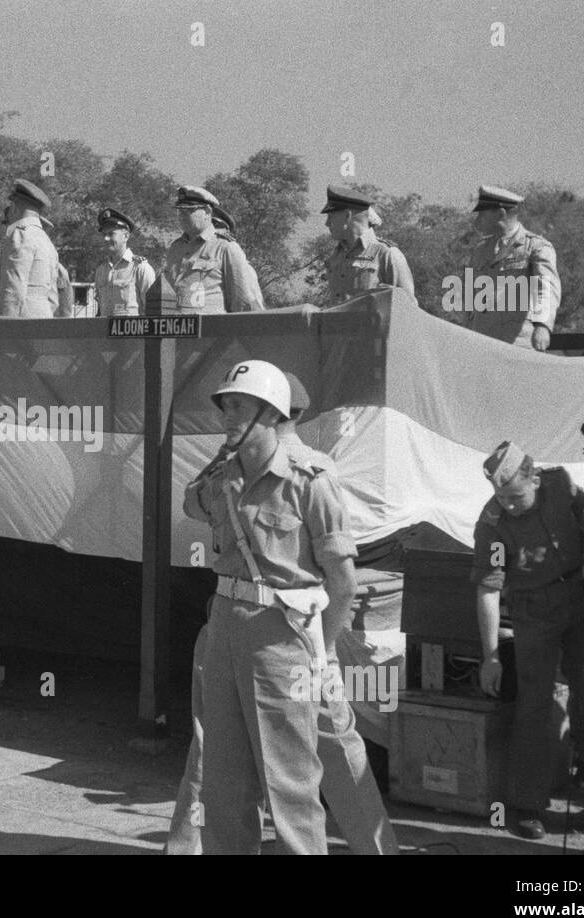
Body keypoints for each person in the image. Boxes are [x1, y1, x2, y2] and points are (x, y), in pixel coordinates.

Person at [167, 371, 397, 855]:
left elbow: (343, 581)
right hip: (227, 625)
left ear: (274, 414)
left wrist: (321, 650)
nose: (226, 416)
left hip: (286, 635)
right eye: (225, 406)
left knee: (291, 778)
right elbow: (192, 504)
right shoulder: (227, 474)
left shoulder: (309, 479)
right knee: (224, 777)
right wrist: (219, 461)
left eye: (239, 408)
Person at [472, 441, 584, 840]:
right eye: (501, 497)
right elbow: (488, 591)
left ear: (535, 479)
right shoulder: (492, 526)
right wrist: (491, 656)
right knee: (534, 704)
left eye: (516, 496)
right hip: (533, 611)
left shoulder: (561, 484)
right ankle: (527, 805)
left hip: (580, 595)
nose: (509, 505)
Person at [465, 186, 561, 350]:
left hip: (517, 344)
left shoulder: (536, 247)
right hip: (481, 344)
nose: (477, 220)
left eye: (482, 214)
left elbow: (546, 288)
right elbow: (469, 299)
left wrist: (543, 326)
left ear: (501, 214)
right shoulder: (480, 251)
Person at [164, 186, 264, 314]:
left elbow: (244, 302)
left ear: (207, 212)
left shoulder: (226, 247)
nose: (182, 215)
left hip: (211, 330)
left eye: (189, 210)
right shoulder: (175, 248)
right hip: (175, 329)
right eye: (180, 211)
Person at [321, 185, 414, 304]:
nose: (327, 223)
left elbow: (408, 307)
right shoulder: (336, 256)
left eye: (331, 217)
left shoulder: (386, 254)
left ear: (347, 216)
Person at [0, 179, 59, 319]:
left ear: (14, 207)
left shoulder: (20, 235)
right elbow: (53, 298)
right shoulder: (47, 242)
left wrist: (2, 329)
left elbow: (13, 292)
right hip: (43, 322)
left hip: (18, 327)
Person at [92, 208, 156, 317]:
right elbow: (100, 311)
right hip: (103, 332)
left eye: (111, 234)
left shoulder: (140, 268)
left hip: (132, 333)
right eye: (104, 234)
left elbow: (153, 310)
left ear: (126, 236)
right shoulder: (101, 270)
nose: (106, 238)